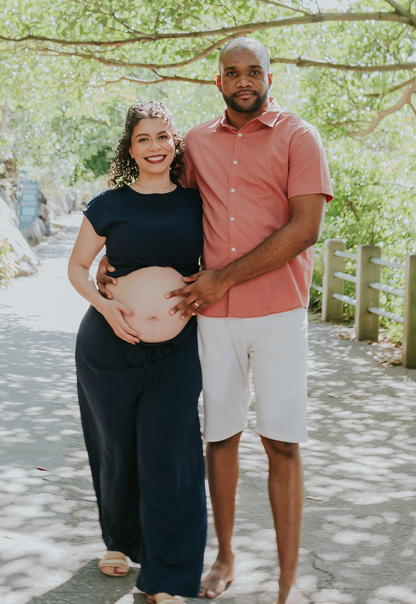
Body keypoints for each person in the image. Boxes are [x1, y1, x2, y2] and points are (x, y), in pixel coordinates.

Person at [100, 37, 332, 604]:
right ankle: (224, 559)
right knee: (219, 437)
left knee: (282, 442)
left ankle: (286, 579)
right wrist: (117, 259)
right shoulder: (197, 142)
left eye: (254, 71)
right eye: (233, 72)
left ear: (269, 77)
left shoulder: (300, 137)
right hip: (214, 318)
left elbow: (305, 229)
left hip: (278, 313)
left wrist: (223, 277)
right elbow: (164, 209)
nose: (244, 80)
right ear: (219, 81)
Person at [66, 101, 207, 604]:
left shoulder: (197, 202)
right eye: (143, 138)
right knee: (117, 447)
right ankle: (121, 544)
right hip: (109, 344)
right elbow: (78, 268)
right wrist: (105, 306)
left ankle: (169, 576)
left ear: (176, 145)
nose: (154, 146)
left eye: (163, 137)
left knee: (171, 452)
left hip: (178, 349)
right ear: (130, 148)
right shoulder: (108, 205)